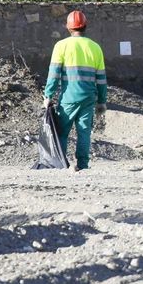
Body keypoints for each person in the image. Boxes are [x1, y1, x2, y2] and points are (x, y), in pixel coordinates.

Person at [44, 9, 107, 171]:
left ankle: (61, 164)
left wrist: (48, 95)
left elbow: (54, 74)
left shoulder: (61, 46)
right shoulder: (95, 48)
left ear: (68, 27)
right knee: (84, 133)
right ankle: (83, 165)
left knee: (63, 132)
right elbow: (101, 79)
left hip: (68, 98)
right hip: (88, 97)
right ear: (85, 26)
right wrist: (102, 101)